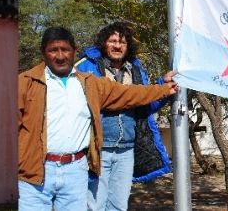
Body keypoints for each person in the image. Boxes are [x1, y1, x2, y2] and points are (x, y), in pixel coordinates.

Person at [17, 27, 178, 211]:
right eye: (53, 50)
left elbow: (129, 94)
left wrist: (163, 88)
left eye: (65, 50)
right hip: (37, 170)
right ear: (43, 53)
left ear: (74, 51)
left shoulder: (89, 83)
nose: (60, 56)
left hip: (76, 170)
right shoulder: (25, 83)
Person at [75, 22, 174, 211]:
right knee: (94, 206)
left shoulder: (136, 70)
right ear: (104, 43)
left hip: (126, 150)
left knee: (119, 206)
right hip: (98, 149)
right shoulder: (87, 66)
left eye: (122, 42)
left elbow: (145, 105)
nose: (117, 46)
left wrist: (163, 87)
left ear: (128, 46)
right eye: (112, 41)